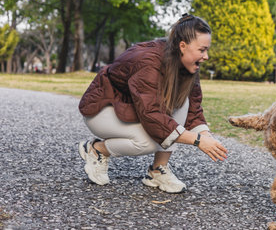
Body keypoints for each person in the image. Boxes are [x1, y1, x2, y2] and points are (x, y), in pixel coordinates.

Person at [78, 14, 228, 193]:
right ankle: (96, 149)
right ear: (182, 46)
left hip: (132, 110)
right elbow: (152, 115)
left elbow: (193, 109)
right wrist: (197, 140)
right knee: (148, 142)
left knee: (182, 103)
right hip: (103, 110)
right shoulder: (149, 62)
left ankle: (157, 171)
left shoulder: (187, 65)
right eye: (202, 50)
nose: (206, 56)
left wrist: (207, 137)